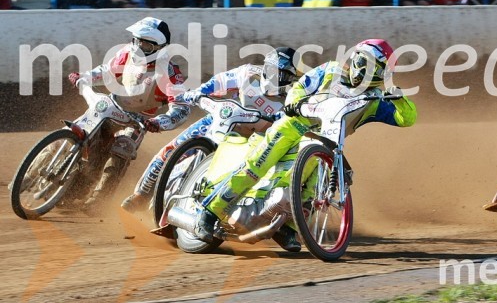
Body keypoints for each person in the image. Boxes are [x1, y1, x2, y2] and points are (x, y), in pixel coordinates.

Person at [192, 40, 417, 242]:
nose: (368, 71)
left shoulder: (375, 100)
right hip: (292, 126)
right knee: (256, 166)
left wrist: (399, 98)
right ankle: (209, 212)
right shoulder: (331, 70)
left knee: (310, 186)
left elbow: (406, 119)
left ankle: (288, 229)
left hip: (325, 143)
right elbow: (301, 86)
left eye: (377, 68)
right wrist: (296, 102)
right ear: (357, 58)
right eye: (365, 62)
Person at [124, 47, 302, 249]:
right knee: (172, 148)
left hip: (251, 138)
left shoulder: (291, 96)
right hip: (220, 120)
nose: (277, 79)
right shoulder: (248, 73)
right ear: (265, 67)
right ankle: (142, 193)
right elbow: (220, 81)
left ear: (291, 78)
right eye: (273, 72)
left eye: (284, 75)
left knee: (254, 172)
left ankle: (259, 218)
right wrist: (200, 92)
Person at [67, 18, 190, 207]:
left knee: (122, 150)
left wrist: (160, 122)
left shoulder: (169, 72)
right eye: (137, 40)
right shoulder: (126, 52)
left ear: (160, 47)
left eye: (146, 44)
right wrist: (84, 77)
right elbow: (107, 72)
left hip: (139, 120)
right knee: (77, 132)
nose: (139, 47)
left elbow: (182, 108)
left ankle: (97, 201)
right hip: (111, 107)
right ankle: (32, 172)